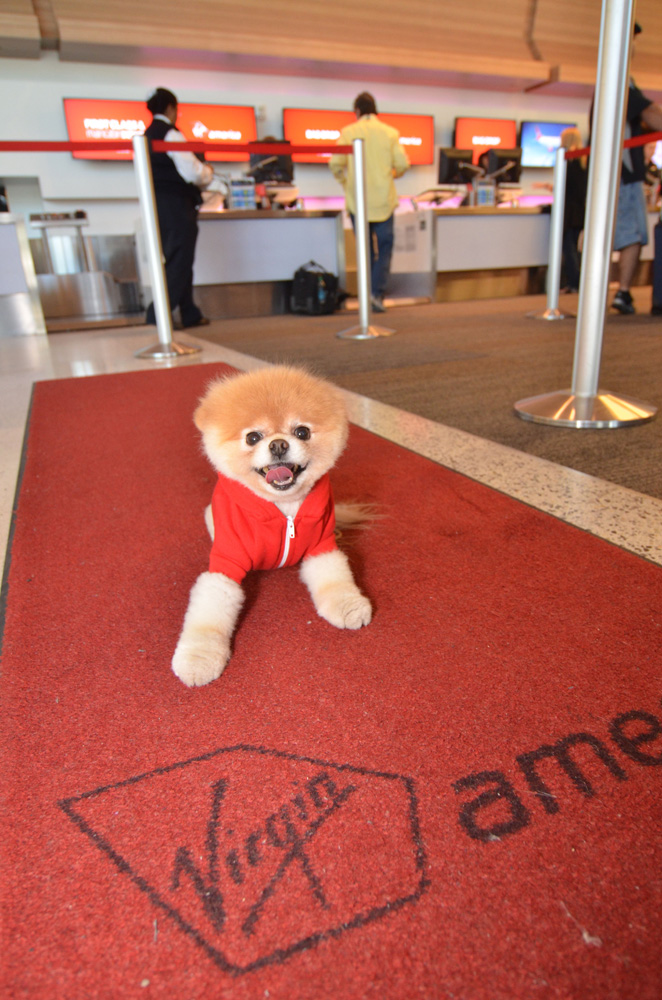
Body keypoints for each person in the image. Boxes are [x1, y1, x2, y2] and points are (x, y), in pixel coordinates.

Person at [329, 93, 409, 312]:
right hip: (384, 200)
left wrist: (346, 184)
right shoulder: (390, 133)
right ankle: (376, 294)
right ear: (376, 110)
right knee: (384, 250)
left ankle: (366, 295)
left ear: (357, 111)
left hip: (358, 202)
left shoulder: (348, 132)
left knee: (365, 252)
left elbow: (335, 164)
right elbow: (403, 164)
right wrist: (390, 175)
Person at [144, 87, 214, 328]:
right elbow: (192, 172)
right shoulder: (171, 134)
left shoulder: (147, 135)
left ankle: (189, 311)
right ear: (172, 108)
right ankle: (158, 315)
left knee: (178, 258)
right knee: (179, 260)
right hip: (176, 206)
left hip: (158, 206)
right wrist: (209, 173)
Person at [605, 23, 662, 315]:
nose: (634, 46)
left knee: (619, 234)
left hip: (616, 174)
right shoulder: (618, 80)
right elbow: (652, 114)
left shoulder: (615, 80)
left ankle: (615, 292)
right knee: (633, 234)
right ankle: (623, 292)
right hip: (624, 177)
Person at [559, 128, 588, 293]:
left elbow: (568, 187)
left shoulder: (570, 160)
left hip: (570, 212)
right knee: (573, 247)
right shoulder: (583, 160)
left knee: (568, 247)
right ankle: (575, 281)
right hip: (579, 211)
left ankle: (574, 282)